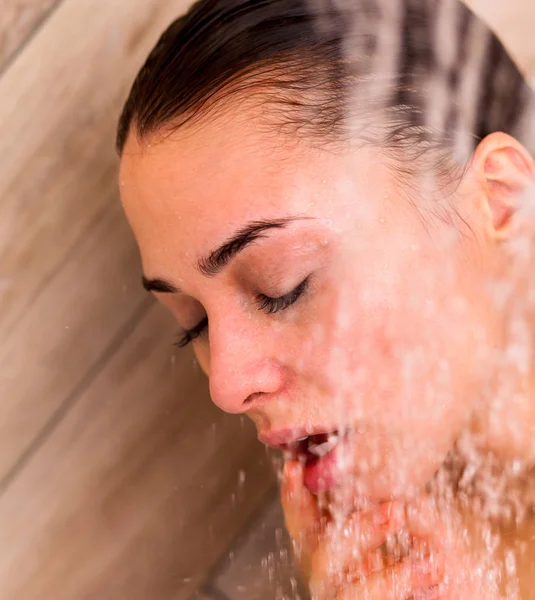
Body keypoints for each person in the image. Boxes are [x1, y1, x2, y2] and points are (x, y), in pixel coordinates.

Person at [116, 0, 535, 597]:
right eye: (193, 323)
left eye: (285, 286)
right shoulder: (401, 557)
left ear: (501, 200)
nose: (228, 386)